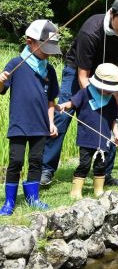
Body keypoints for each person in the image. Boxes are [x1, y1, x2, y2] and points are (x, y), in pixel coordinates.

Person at [41, 0, 118, 187]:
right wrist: (93, 102)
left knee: (111, 116)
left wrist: (116, 87)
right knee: (63, 116)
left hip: (110, 75)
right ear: (112, 14)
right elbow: (83, 75)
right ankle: (46, 169)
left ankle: (104, 172)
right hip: (79, 70)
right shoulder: (91, 31)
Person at [0, 20, 61, 215]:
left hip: (41, 124)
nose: (49, 53)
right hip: (19, 123)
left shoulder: (49, 70)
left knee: (36, 161)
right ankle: (9, 201)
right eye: (46, 48)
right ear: (30, 42)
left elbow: (51, 100)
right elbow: (2, 88)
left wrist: (51, 122)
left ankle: (33, 197)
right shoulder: (16, 64)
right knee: (16, 161)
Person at [56, 63, 118, 199]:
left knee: (101, 165)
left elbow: (113, 120)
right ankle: (76, 191)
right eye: (107, 89)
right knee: (84, 164)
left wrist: (116, 135)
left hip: (104, 138)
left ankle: (98, 190)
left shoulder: (111, 100)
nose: (109, 92)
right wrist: (64, 106)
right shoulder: (85, 93)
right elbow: (72, 103)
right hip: (87, 137)